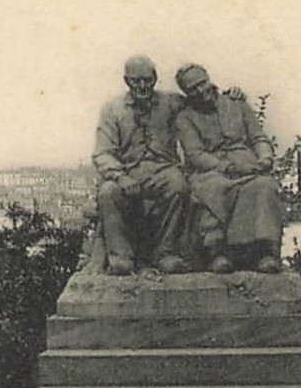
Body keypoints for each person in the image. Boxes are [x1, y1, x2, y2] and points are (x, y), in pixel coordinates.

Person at [174, 63, 284, 274]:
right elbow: (195, 155)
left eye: (202, 83)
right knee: (213, 188)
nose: (201, 91)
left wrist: (265, 156)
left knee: (264, 185)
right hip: (212, 170)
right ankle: (217, 252)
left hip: (248, 164)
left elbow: (258, 137)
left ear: (209, 78)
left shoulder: (237, 105)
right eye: (192, 89)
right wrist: (227, 167)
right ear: (187, 93)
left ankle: (264, 252)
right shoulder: (185, 118)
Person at [89, 55, 191, 275]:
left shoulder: (171, 103)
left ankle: (165, 253)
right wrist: (121, 176)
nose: (142, 86)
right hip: (128, 172)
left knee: (178, 186)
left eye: (147, 80)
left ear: (155, 79)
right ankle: (121, 257)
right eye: (136, 81)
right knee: (108, 192)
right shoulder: (112, 110)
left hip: (164, 170)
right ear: (127, 81)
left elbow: (199, 98)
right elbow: (102, 153)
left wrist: (227, 95)